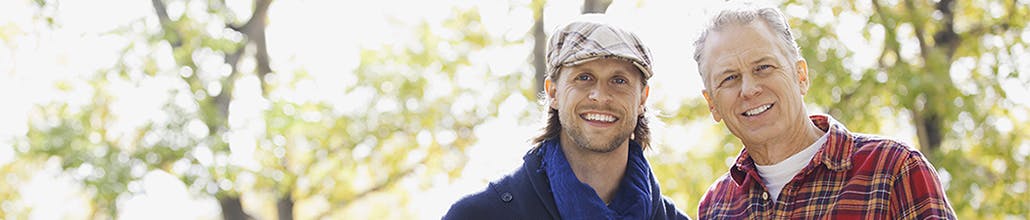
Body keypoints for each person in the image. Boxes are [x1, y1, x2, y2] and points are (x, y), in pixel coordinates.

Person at [692, 2, 956, 219]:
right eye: (729, 78)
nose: (749, 89)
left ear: (801, 75)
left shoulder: (893, 170)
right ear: (712, 104)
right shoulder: (716, 206)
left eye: (763, 67)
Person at [444, 14, 689, 220]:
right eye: (584, 77)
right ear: (553, 92)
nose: (600, 96)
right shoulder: (481, 214)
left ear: (642, 99)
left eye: (618, 80)